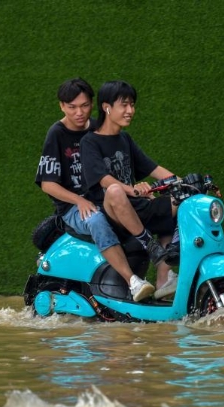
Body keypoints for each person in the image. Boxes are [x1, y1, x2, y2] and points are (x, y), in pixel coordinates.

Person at [35, 77, 154, 301]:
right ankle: (132, 281)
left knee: (151, 208)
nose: (79, 113)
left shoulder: (101, 129)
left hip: (106, 198)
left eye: (85, 106)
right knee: (96, 220)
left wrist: (136, 188)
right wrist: (79, 200)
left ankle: (166, 277)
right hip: (75, 207)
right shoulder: (57, 134)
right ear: (62, 106)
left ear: (94, 104)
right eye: (71, 107)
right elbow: (47, 183)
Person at [80, 80, 179, 299]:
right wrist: (133, 190)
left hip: (137, 205)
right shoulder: (89, 142)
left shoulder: (125, 139)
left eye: (132, 105)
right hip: (112, 213)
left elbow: (153, 168)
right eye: (124, 105)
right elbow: (104, 180)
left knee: (180, 200)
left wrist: (184, 183)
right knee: (115, 190)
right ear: (107, 107)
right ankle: (150, 246)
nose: (130, 111)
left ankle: (164, 278)